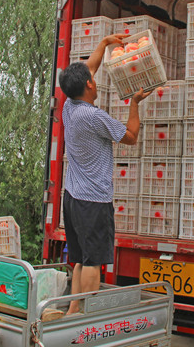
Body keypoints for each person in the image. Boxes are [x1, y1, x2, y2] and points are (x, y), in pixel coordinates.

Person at [58, 34, 151, 314]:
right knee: (93, 261)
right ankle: (86, 312)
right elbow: (131, 136)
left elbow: (90, 67)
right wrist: (134, 103)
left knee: (80, 259)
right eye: (92, 78)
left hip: (72, 197)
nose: (94, 78)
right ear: (88, 85)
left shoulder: (68, 106)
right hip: (93, 201)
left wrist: (105, 43)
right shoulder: (93, 116)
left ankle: (73, 311)